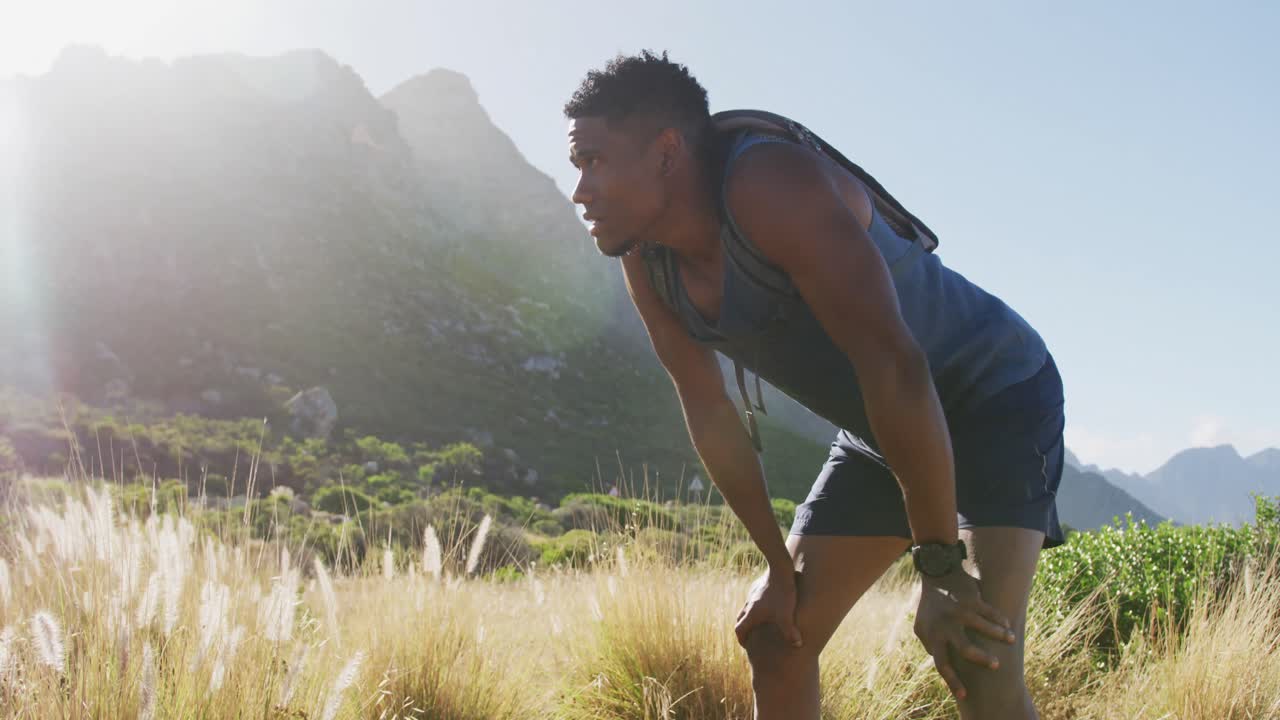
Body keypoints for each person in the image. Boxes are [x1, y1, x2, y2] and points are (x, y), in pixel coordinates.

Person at [563, 50, 1065, 720]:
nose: (580, 191)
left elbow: (897, 366)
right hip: (880, 428)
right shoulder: (647, 264)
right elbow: (709, 412)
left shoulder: (770, 185)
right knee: (777, 639)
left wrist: (941, 569)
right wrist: (776, 564)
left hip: (992, 397)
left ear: (665, 151)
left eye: (594, 161)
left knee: (979, 657)